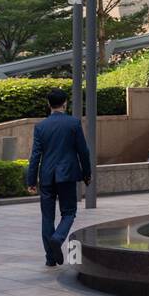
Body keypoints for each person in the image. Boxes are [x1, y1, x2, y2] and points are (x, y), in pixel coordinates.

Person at [25, 89, 92, 267]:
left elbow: (35, 156)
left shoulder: (40, 127)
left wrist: (31, 181)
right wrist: (87, 173)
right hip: (67, 175)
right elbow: (83, 151)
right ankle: (58, 238)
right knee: (69, 213)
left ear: (48, 104)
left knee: (47, 217)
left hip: (46, 176)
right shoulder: (73, 123)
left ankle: (50, 258)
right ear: (65, 103)